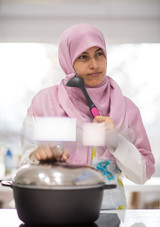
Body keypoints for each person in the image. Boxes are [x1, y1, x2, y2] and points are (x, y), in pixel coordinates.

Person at [20, 23, 155, 209]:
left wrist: (116, 141)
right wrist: (37, 157)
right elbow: (25, 165)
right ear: (68, 61)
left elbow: (143, 174)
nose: (94, 65)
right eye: (83, 56)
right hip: (54, 210)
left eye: (99, 54)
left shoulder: (127, 109)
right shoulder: (44, 103)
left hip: (109, 215)